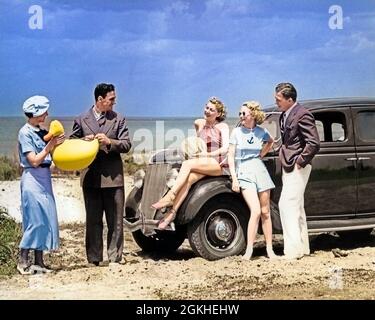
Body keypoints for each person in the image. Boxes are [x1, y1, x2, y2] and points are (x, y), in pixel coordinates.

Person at [70, 83, 132, 266]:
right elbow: (71, 144)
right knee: (93, 220)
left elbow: (126, 144)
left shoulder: (119, 119)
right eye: (111, 99)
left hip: (114, 179)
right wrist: (84, 141)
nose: (114, 102)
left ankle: (115, 257)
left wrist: (109, 141)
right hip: (90, 178)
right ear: (100, 99)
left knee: (116, 221)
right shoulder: (81, 119)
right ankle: (94, 258)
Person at [151, 97, 229, 230]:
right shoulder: (199, 123)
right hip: (204, 162)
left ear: (219, 114)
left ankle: (171, 195)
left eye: (212, 110)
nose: (208, 111)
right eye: (207, 107)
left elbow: (226, 148)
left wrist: (207, 154)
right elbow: (197, 143)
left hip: (219, 163)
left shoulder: (222, 126)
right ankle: (171, 214)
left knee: (187, 164)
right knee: (189, 179)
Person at [17, 95, 65, 274]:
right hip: (32, 178)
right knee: (35, 221)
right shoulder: (24, 133)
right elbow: (34, 160)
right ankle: (22, 261)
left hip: (45, 178)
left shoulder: (41, 131)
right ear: (36, 112)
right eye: (44, 111)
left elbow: (55, 147)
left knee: (45, 218)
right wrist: (49, 146)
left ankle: (39, 262)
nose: (47, 114)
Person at [275, 82, 320, 259]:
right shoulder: (284, 115)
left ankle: (292, 251)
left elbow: (314, 143)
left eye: (279, 99)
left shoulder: (302, 114)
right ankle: (302, 247)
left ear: (290, 99)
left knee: (286, 205)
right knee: (298, 207)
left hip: (296, 165)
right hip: (289, 164)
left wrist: (300, 162)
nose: (277, 102)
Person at [228, 101, 277, 260]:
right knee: (255, 211)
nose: (241, 116)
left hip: (260, 170)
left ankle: (270, 249)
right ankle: (249, 249)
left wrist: (261, 154)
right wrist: (234, 178)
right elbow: (230, 156)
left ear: (253, 115)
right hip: (244, 172)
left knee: (265, 212)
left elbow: (271, 141)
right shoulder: (236, 132)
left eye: (244, 113)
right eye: (240, 113)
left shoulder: (261, 132)